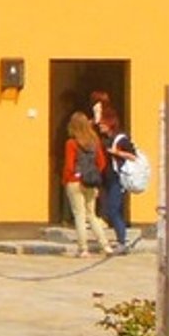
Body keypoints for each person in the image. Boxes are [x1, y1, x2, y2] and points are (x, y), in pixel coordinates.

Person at [62, 110, 117, 257]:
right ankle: (105, 246)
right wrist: (92, 174)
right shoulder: (95, 142)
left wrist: (68, 178)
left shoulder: (71, 143)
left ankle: (83, 249)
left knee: (79, 216)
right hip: (91, 182)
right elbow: (102, 162)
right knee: (92, 215)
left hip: (75, 181)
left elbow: (69, 165)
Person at [97, 110, 137, 252]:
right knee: (108, 209)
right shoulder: (105, 139)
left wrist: (117, 153)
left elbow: (133, 156)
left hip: (118, 178)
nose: (100, 125)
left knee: (113, 209)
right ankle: (121, 239)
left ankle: (122, 241)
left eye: (103, 122)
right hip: (106, 178)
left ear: (110, 123)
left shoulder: (121, 139)